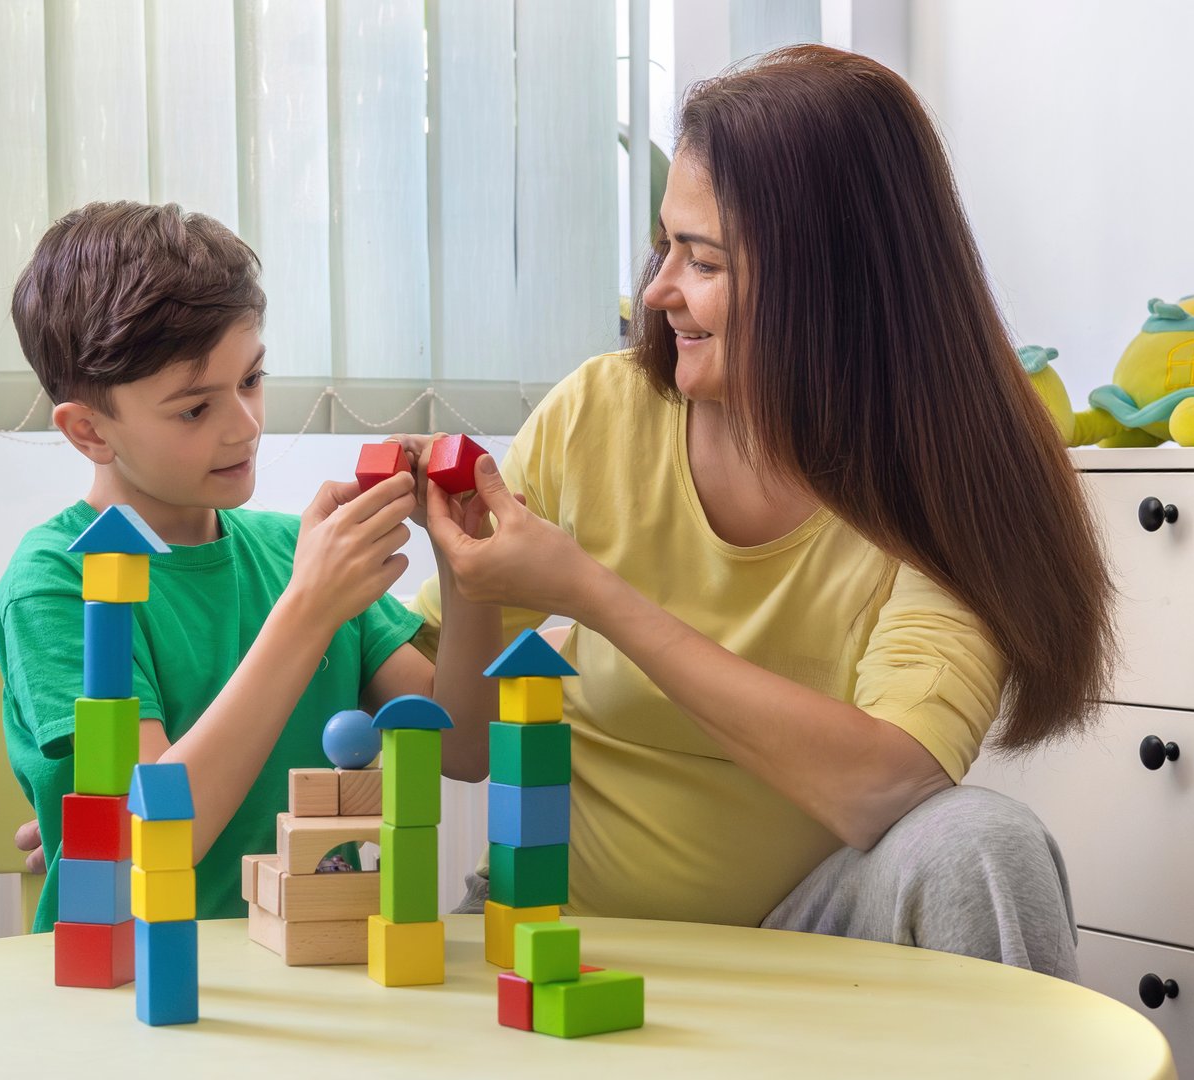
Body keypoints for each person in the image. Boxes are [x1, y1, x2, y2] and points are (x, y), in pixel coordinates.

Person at [405, 46, 1115, 980]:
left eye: (702, 262)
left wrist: (596, 596)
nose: (657, 291)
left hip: (810, 937)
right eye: (666, 247)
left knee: (983, 842)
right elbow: (457, 744)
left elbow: (883, 782)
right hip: (565, 936)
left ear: (830, 285)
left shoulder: (952, 484)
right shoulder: (597, 415)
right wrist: (468, 576)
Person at [0, 202, 499, 931]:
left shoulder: (291, 554)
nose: (246, 424)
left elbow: (464, 747)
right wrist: (310, 610)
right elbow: (152, 840)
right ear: (89, 430)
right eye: (195, 409)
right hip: (135, 978)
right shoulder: (60, 581)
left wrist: (467, 567)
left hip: (312, 967)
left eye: (252, 379)